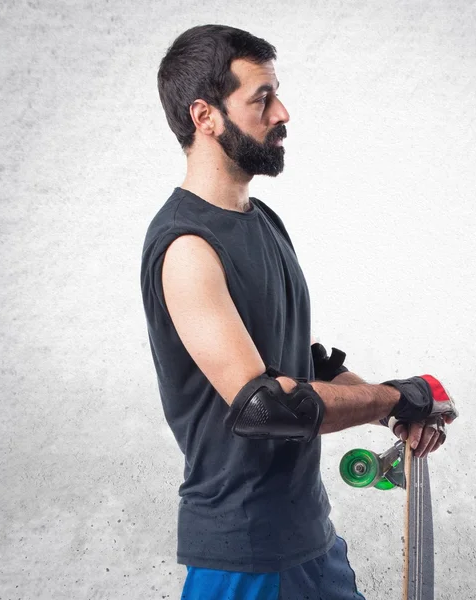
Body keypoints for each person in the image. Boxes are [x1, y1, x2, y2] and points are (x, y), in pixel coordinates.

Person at [140, 24, 457, 600]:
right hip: (243, 555)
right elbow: (265, 407)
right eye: (261, 98)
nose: (282, 111)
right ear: (204, 116)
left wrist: (396, 411)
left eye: (276, 93)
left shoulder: (261, 221)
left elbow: (298, 359)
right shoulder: (187, 248)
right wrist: (393, 395)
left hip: (310, 539)